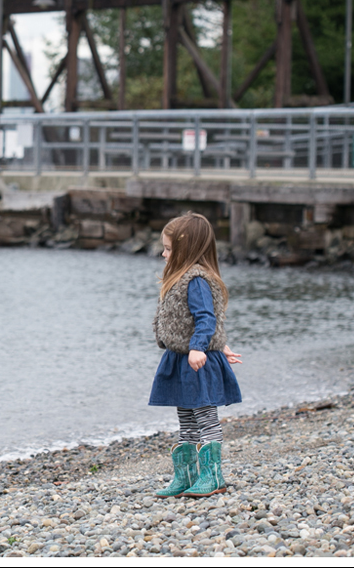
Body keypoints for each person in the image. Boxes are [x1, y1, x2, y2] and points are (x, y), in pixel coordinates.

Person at [149, 212, 242, 498]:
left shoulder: (197, 279)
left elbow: (206, 318)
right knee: (186, 418)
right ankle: (186, 476)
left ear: (186, 250)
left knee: (205, 416)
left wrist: (202, 347)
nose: (163, 254)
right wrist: (221, 344)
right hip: (181, 358)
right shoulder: (178, 278)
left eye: (168, 249)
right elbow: (192, 320)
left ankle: (213, 477)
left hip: (196, 360)